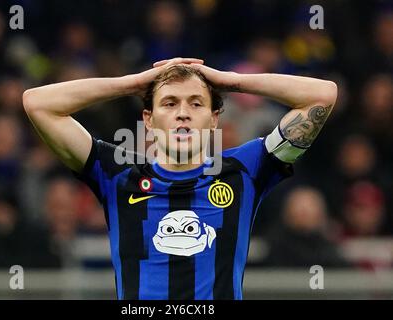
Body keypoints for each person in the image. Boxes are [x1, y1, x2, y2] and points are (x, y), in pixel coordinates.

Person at [23, 57, 337, 300]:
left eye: (196, 103)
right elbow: (39, 104)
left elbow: (322, 95)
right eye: (170, 103)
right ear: (148, 119)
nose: (183, 113)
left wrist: (231, 81)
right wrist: (133, 83)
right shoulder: (117, 174)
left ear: (214, 118)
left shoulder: (244, 170)